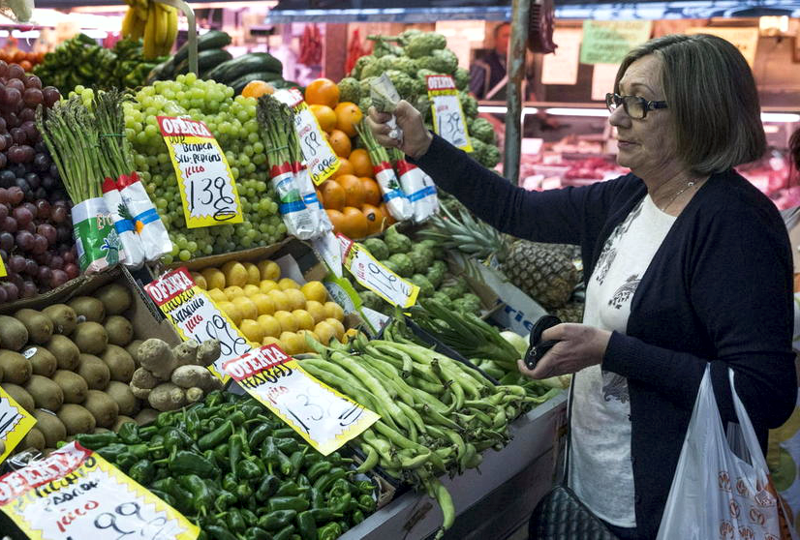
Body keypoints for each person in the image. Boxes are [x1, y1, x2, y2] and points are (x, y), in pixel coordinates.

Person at [368, 33, 797, 539]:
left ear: (698, 112)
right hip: (596, 478)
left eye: (639, 103)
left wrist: (611, 350)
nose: (616, 118)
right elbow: (516, 210)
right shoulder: (634, 195)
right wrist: (423, 147)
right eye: (617, 99)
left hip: (672, 501)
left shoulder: (736, 226)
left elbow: (764, 393)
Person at [469, 22, 511, 100]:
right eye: (506, 36)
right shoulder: (482, 65)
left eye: (513, 36)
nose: (510, 40)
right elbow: (469, 95)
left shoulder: (521, 66)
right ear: (496, 39)